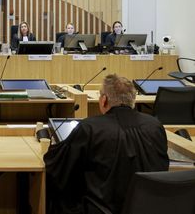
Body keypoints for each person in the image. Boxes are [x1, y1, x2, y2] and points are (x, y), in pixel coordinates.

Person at [44, 74, 169, 214]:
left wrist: (50, 146)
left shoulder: (90, 127)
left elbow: (58, 166)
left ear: (104, 100)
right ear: (132, 100)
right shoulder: (155, 126)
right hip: (148, 207)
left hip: (101, 208)